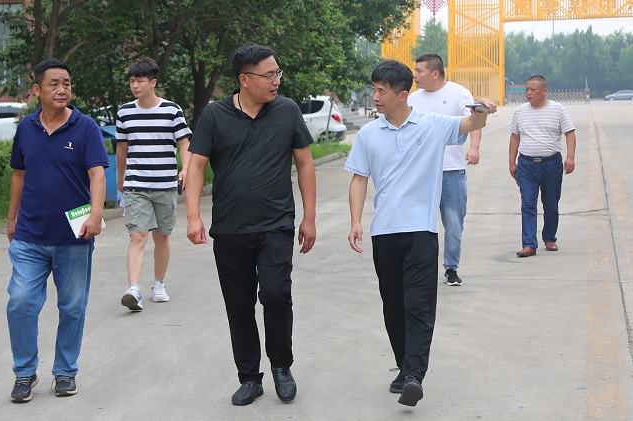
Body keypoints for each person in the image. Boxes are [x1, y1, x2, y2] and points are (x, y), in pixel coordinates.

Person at [345, 59, 496, 407]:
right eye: (374, 90)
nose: (375, 97)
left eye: (382, 91)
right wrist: (355, 221)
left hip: (421, 232)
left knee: (419, 305)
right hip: (384, 231)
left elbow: (471, 122)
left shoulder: (431, 125)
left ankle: (414, 375)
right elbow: (358, 178)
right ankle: (404, 366)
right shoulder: (369, 134)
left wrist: (484, 108)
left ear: (402, 94)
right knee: (393, 307)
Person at [184, 44, 316, 406]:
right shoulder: (214, 116)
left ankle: (281, 367)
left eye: (278, 73)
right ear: (244, 80)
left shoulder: (287, 111)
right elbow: (195, 167)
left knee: (276, 295)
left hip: (276, 225)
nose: (276, 80)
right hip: (229, 229)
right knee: (239, 305)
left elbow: (305, 164)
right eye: (268, 74)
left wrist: (309, 217)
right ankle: (249, 377)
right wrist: (193, 215)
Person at [6, 59, 109, 403]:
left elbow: (97, 174)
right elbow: (18, 175)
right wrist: (11, 218)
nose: (62, 89)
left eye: (66, 83)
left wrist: (96, 215)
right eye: (54, 84)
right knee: (20, 302)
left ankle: (65, 371)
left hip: (74, 238)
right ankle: (24, 373)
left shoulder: (85, 127)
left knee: (73, 307)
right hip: (29, 236)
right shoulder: (25, 128)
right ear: (37, 90)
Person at [116, 58, 192, 311]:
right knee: (137, 236)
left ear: (153, 82)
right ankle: (133, 289)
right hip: (136, 185)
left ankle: (159, 283)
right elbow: (122, 149)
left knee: (161, 237)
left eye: (139, 80)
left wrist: (186, 169)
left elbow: (184, 143)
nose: (135, 85)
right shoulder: (125, 112)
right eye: (132, 80)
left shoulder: (172, 110)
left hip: (165, 185)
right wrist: (120, 177)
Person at [408, 52, 482, 286]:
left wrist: (475, 147)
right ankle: (420, 267)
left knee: (453, 224)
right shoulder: (412, 99)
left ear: (435, 73)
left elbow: (474, 120)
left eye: (419, 71)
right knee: (420, 223)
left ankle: (451, 267)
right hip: (422, 173)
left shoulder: (458, 93)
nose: (415, 75)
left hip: (451, 170)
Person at [509, 75, 576, 257]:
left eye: (533, 90)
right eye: (527, 90)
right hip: (526, 165)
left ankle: (550, 238)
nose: (529, 93)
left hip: (551, 164)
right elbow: (515, 137)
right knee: (528, 204)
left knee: (551, 204)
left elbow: (569, 134)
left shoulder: (558, 110)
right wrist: (511, 162)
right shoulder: (520, 111)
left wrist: (570, 158)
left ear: (544, 91)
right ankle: (529, 244)